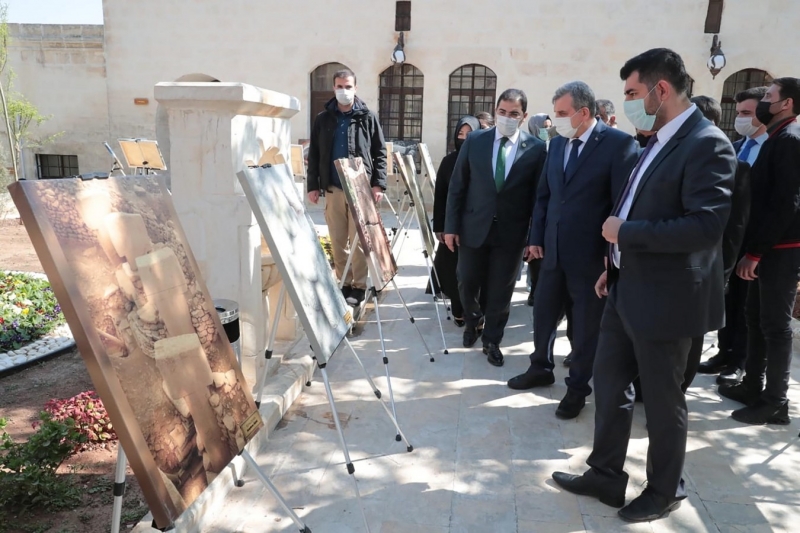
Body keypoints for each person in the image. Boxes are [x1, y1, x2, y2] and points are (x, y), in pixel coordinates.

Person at [552, 48, 735, 522]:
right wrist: (611, 265)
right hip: (624, 288)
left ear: (661, 90)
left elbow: (704, 227)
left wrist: (623, 236)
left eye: (633, 92)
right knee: (610, 388)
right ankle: (606, 474)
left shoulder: (706, 142)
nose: (629, 101)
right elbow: (638, 205)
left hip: (668, 300)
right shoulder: (656, 138)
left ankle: (663, 489)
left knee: (661, 401)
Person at [507, 81, 638, 420]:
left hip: (592, 257)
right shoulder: (557, 145)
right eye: (555, 113)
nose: (557, 120)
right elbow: (546, 196)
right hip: (552, 251)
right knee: (544, 313)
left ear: (584, 112)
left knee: (585, 328)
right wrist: (536, 236)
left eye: (563, 113)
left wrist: (611, 260)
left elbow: (622, 206)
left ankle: (578, 388)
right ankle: (540, 367)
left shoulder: (619, 145)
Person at [444, 89, 547, 367]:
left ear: (523, 117)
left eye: (514, 113)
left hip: (511, 234)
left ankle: (492, 340)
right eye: (502, 111)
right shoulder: (475, 141)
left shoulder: (536, 149)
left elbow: (539, 198)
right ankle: (473, 321)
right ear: (496, 109)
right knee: (466, 281)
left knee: (502, 290)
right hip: (473, 227)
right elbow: (458, 187)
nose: (506, 117)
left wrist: (533, 237)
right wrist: (450, 227)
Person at [720, 77, 800, 426]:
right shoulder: (777, 137)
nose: (763, 101)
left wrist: (757, 252)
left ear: (787, 104)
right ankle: (753, 385)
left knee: (775, 326)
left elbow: (785, 205)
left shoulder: (790, 140)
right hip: (765, 247)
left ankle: (776, 401)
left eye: (769, 96)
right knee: (754, 317)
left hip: (780, 250)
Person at [699, 86, 768, 384]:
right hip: (728, 237)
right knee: (726, 299)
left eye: (747, 114)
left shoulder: (775, 148)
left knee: (746, 305)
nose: (740, 118)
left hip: (755, 239)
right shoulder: (735, 146)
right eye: (738, 113)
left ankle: (739, 359)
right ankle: (723, 351)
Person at [307, 69, 387, 306]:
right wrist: (313, 186)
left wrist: (378, 184)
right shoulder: (323, 119)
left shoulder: (367, 117)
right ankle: (343, 282)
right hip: (333, 189)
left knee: (360, 241)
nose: (344, 90)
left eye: (348, 86)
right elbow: (315, 153)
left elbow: (379, 153)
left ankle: (359, 286)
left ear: (355, 88)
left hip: (360, 189)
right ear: (334, 88)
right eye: (340, 86)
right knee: (338, 240)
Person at [432, 115, 482, 326]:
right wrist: (440, 227)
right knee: (453, 272)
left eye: (469, 134)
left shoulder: (482, 161)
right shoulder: (449, 161)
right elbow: (441, 196)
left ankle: (476, 311)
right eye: (460, 134)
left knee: (473, 272)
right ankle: (458, 311)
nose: (464, 138)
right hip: (452, 227)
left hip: (475, 227)